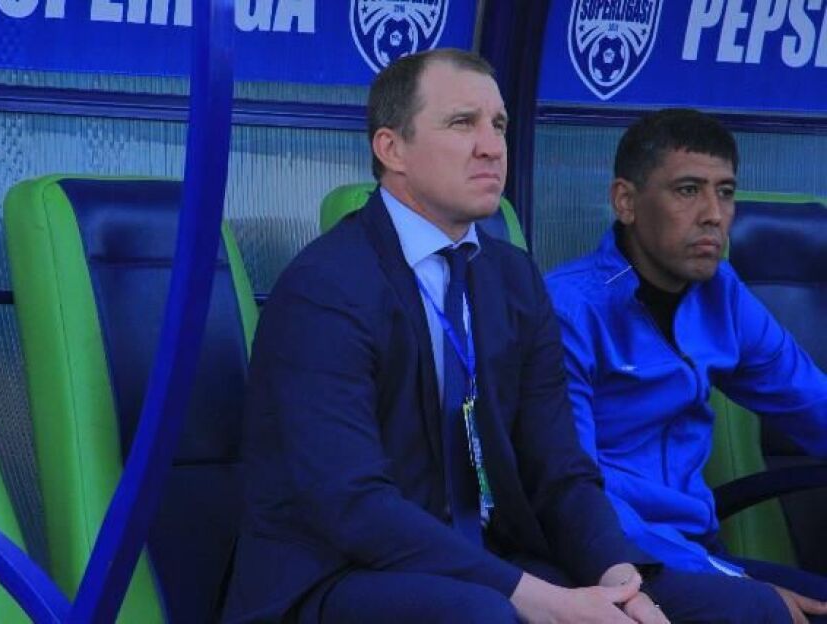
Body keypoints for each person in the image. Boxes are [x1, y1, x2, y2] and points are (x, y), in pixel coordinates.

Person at [223, 53, 790, 623]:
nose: (492, 147)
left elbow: (559, 470)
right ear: (392, 149)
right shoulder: (325, 287)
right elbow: (353, 505)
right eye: (462, 123)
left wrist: (619, 578)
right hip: (341, 574)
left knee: (743, 608)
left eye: (498, 125)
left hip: (490, 559)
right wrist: (547, 602)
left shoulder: (513, 277)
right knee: (485, 616)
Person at [546, 108, 827, 623]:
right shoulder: (571, 309)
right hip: (611, 556)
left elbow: (813, 403)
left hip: (695, 548)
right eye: (688, 190)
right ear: (626, 201)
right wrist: (726, 578)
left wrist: (718, 571)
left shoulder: (723, 294)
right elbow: (574, 487)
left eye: (725, 192)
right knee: (761, 610)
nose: (713, 214)